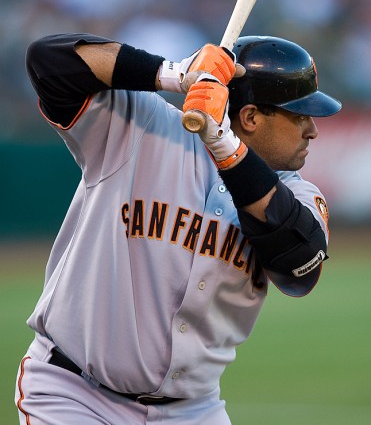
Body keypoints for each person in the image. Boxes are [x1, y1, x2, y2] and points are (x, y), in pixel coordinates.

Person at [16, 33, 341, 425]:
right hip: (76, 395)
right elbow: (49, 61)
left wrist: (226, 146)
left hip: (192, 411)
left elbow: (298, 269)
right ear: (252, 117)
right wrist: (175, 74)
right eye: (299, 114)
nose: (312, 130)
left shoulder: (295, 194)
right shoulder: (141, 127)